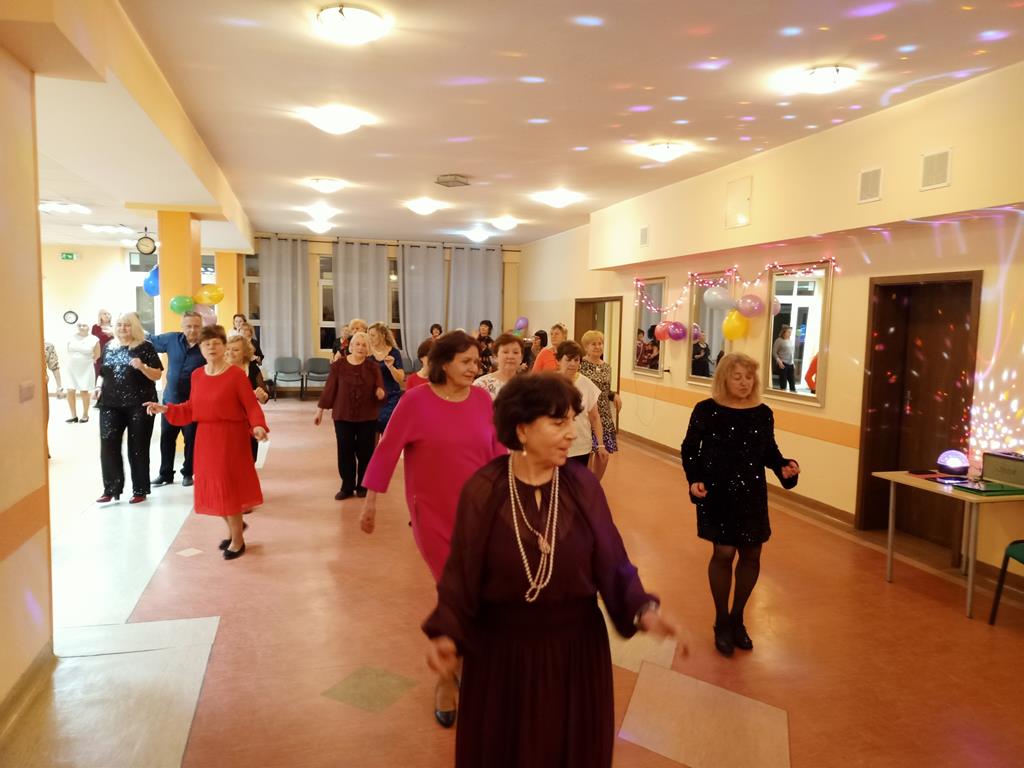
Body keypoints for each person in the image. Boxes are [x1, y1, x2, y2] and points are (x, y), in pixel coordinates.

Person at [422, 373, 685, 767]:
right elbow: (461, 573)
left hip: (574, 651)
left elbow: (612, 559)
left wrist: (643, 609)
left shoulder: (583, 487)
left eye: (572, 421)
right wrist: (446, 632)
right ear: (522, 429)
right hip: (501, 653)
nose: (571, 433)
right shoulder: (484, 489)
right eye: (558, 423)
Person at [360, 331, 506, 726]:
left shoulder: (482, 400)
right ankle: (445, 680)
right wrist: (371, 501)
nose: (475, 368)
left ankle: (460, 663)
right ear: (444, 363)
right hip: (434, 516)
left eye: (477, 362)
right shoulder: (416, 401)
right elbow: (387, 449)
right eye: (466, 362)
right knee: (455, 593)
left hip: (481, 513)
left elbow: (498, 452)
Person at [680, 353, 801, 656]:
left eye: (749, 377)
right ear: (724, 378)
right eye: (738, 377)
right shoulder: (706, 410)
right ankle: (721, 621)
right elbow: (690, 448)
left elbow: (768, 451)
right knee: (723, 552)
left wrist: (783, 466)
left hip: (751, 493)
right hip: (717, 491)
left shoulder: (763, 413)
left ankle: (737, 618)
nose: (745, 383)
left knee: (751, 553)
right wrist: (694, 479)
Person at [145, 325, 268, 560]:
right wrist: (166, 409)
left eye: (216, 343)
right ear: (200, 348)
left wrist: (258, 426)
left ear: (224, 346)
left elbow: (251, 406)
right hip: (206, 438)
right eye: (206, 344)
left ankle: (238, 540)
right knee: (213, 488)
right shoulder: (197, 375)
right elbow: (192, 407)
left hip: (231, 438)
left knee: (228, 488)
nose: (211, 347)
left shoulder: (235, 375)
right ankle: (236, 526)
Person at [94, 313, 163, 504]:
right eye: (119, 324)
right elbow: (102, 373)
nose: (123, 328)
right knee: (108, 443)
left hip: (140, 404)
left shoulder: (145, 346)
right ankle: (111, 489)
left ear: (135, 327)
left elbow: (157, 375)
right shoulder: (109, 346)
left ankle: (140, 489)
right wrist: (98, 387)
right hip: (110, 402)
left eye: (127, 325)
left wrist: (142, 367)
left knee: (138, 446)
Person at [315, 331, 385, 500]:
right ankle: (346, 486)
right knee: (345, 451)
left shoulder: (373, 367)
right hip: (342, 415)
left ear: (368, 349)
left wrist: (380, 392)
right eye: (357, 344)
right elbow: (329, 389)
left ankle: (362, 485)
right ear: (351, 346)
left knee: (365, 452)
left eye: (364, 345)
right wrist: (320, 411)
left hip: (367, 416)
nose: (360, 347)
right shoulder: (338, 365)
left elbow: (380, 387)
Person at [150, 312, 205, 488]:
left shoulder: (206, 345)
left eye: (196, 326)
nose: (192, 330)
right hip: (170, 400)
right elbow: (149, 340)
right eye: (189, 326)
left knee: (191, 439)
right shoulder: (171, 339)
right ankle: (165, 473)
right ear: (182, 326)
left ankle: (188, 473)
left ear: (201, 327)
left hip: (193, 403)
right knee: (166, 438)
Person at [555, 341, 605, 470]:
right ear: (558, 360)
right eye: (568, 359)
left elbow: (595, 417)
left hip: (580, 446)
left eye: (576, 360)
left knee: (577, 481)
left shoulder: (587, 384)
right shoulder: (548, 384)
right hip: (555, 445)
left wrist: (600, 445)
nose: (573, 364)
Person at [579, 330, 620, 480]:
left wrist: (614, 395)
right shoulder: (580, 365)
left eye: (600, 343)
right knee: (587, 455)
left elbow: (605, 390)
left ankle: (594, 485)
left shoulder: (607, 367)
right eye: (593, 344)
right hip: (586, 415)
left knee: (603, 456)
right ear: (586, 347)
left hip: (604, 416)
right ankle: (585, 484)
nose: (597, 347)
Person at [227, 335, 270, 462]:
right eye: (228, 349)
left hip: (248, 421)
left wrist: (262, 396)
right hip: (228, 421)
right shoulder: (221, 368)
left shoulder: (252, 368)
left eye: (236, 350)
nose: (230, 353)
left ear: (245, 352)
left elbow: (265, 396)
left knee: (250, 458)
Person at [368, 322, 405, 436]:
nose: (370, 338)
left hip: (391, 398)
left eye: (373, 335)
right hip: (372, 398)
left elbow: (400, 378)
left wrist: (391, 367)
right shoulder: (368, 353)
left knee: (388, 432)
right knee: (371, 434)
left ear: (383, 335)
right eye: (369, 335)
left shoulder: (394, 353)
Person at [65, 322, 100, 423]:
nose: (81, 327)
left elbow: (97, 354)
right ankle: (73, 416)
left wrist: (88, 360)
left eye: (84, 325)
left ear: (88, 327)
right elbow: (69, 351)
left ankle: (85, 415)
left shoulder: (94, 339)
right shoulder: (71, 337)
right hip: (71, 367)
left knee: (84, 391)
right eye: (79, 325)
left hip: (86, 367)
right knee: (70, 390)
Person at [473, 332, 523, 400]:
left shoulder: (527, 386)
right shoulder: (481, 384)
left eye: (515, 352)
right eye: (505, 352)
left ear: (521, 358)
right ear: (495, 356)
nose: (511, 356)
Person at [772, 325, 797, 392]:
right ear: (784, 332)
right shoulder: (779, 340)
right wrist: (779, 361)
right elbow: (774, 352)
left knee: (792, 383)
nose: (790, 334)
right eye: (788, 332)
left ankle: (793, 396)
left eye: (790, 332)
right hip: (783, 364)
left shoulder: (790, 340)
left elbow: (791, 352)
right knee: (783, 384)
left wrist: (793, 363)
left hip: (790, 364)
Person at [91, 309, 113, 376]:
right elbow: (92, 342)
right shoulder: (95, 327)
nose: (107, 315)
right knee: (98, 373)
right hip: (99, 354)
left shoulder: (114, 327)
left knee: (110, 374)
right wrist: (93, 354)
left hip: (111, 353)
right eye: (105, 314)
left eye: (108, 314)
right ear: (100, 316)